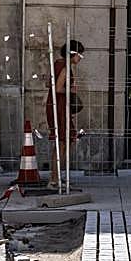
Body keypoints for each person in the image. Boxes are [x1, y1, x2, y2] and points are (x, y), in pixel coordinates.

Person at [46, 40, 84, 190]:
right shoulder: (65, 68)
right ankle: (54, 179)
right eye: (79, 54)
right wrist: (71, 90)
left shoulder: (56, 63)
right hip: (60, 107)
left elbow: (48, 83)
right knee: (63, 142)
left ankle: (56, 177)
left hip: (56, 105)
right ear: (73, 54)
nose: (80, 58)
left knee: (62, 141)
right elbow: (58, 88)